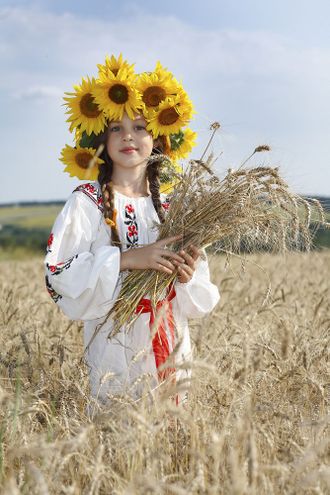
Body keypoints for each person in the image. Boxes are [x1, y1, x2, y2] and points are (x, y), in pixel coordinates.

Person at [45, 54, 220, 406]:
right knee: (120, 432)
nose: (129, 136)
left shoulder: (173, 207)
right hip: (115, 340)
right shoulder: (87, 202)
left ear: (157, 137)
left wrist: (186, 276)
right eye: (116, 128)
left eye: (140, 127)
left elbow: (201, 294)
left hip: (171, 336)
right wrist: (125, 260)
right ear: (102, 141)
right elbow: (58, 273)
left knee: (174, 437)